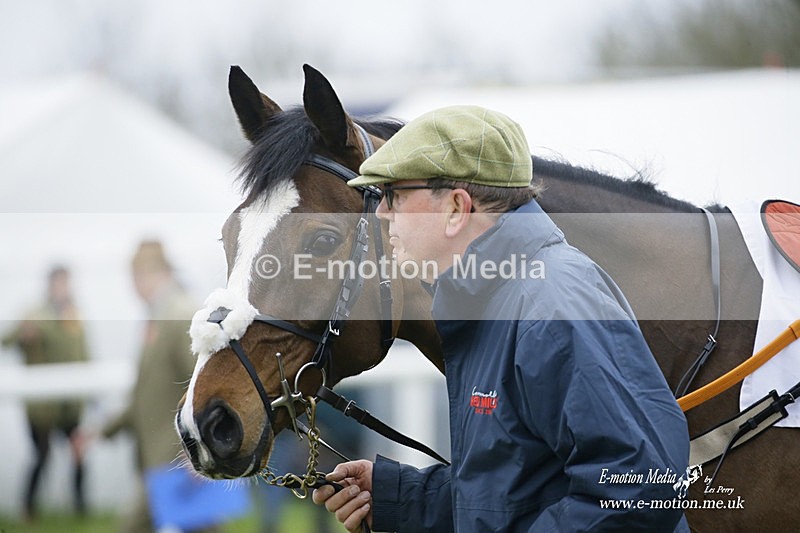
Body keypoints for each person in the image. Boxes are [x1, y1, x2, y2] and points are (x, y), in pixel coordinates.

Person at [312, 106, 691, 531]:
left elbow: (638, 491)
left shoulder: (551, 305)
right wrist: (404, 498)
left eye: (395, 195)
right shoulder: (495, 302)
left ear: (456, 207)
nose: (381, 213)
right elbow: (525, 487)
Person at [100, 240, 199, 533]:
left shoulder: (179, 313)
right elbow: (145, 393)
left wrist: (199, 449)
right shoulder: (160, 315)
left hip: (177, 460)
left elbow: (201, 386)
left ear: (146, 274)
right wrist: (101, 431)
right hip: (165, 461)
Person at [2, 265, 90, 520]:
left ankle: (80, 509)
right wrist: (23, 335)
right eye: (59, 283)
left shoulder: (74, 315)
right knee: (41, 456)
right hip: (42, 407)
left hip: (71, 403)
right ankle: (28, 509)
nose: (64, 288)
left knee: (78, 454)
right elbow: (7, 341)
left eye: (67, 282)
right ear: (50, 285)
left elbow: (83, 352)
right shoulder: (34, 314)